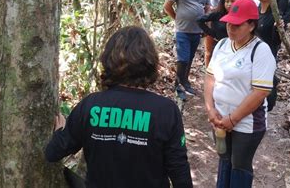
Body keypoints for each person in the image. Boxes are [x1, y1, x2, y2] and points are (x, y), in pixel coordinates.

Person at [45, 26, 193, 188]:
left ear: (108, 60)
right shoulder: (166, 110)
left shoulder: (90, 105)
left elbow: (53, 153)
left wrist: (60, 132)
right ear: (150, 62)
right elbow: (180, 172)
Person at [204, 0, 276, 187]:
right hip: (220, 117)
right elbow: (210, 78)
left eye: (237, 24)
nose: (230, 28)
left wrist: (233, 118)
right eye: (229, 23)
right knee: (224, 159)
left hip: (247, 123)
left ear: (251, 25)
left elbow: (260, 92)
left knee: (240, 165)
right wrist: (210, 109)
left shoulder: (260, 51)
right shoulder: (222, 45)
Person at [164, 0, 210, 100]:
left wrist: (205, 24)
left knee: (189, 58)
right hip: (182, 30)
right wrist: (177, 18)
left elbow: (207, 7)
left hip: (196, 31)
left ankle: (185, 81)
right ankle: (178, 84)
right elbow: (167, 6)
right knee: (182, 58)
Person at [197, 0, 242, 66]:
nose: (229, 4)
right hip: (219, 46)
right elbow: (199, 20)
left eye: (232, 1)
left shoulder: (241, 16)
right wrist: (212, 33)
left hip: (236, 48)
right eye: (227, 2)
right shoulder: (218, 14)